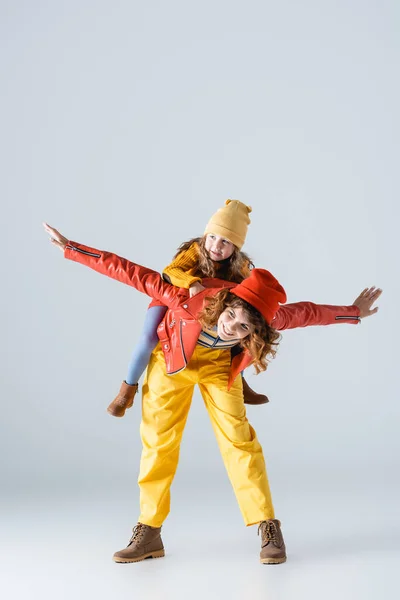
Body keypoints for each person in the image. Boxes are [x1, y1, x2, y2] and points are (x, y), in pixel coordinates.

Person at [43, 222, 381, 565]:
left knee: (240, 441)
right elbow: (132, 273)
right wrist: (73, 249)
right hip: (172, 362)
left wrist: (354, 312)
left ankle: (267, 524)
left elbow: (308, 313)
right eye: (231, 314)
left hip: (220, 368)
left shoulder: (267, 319)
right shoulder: (185, 297)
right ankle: (149, 529)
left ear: (255, 333)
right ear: (227, 300)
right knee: (158, 443)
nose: (230, 325)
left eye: (243, 327)